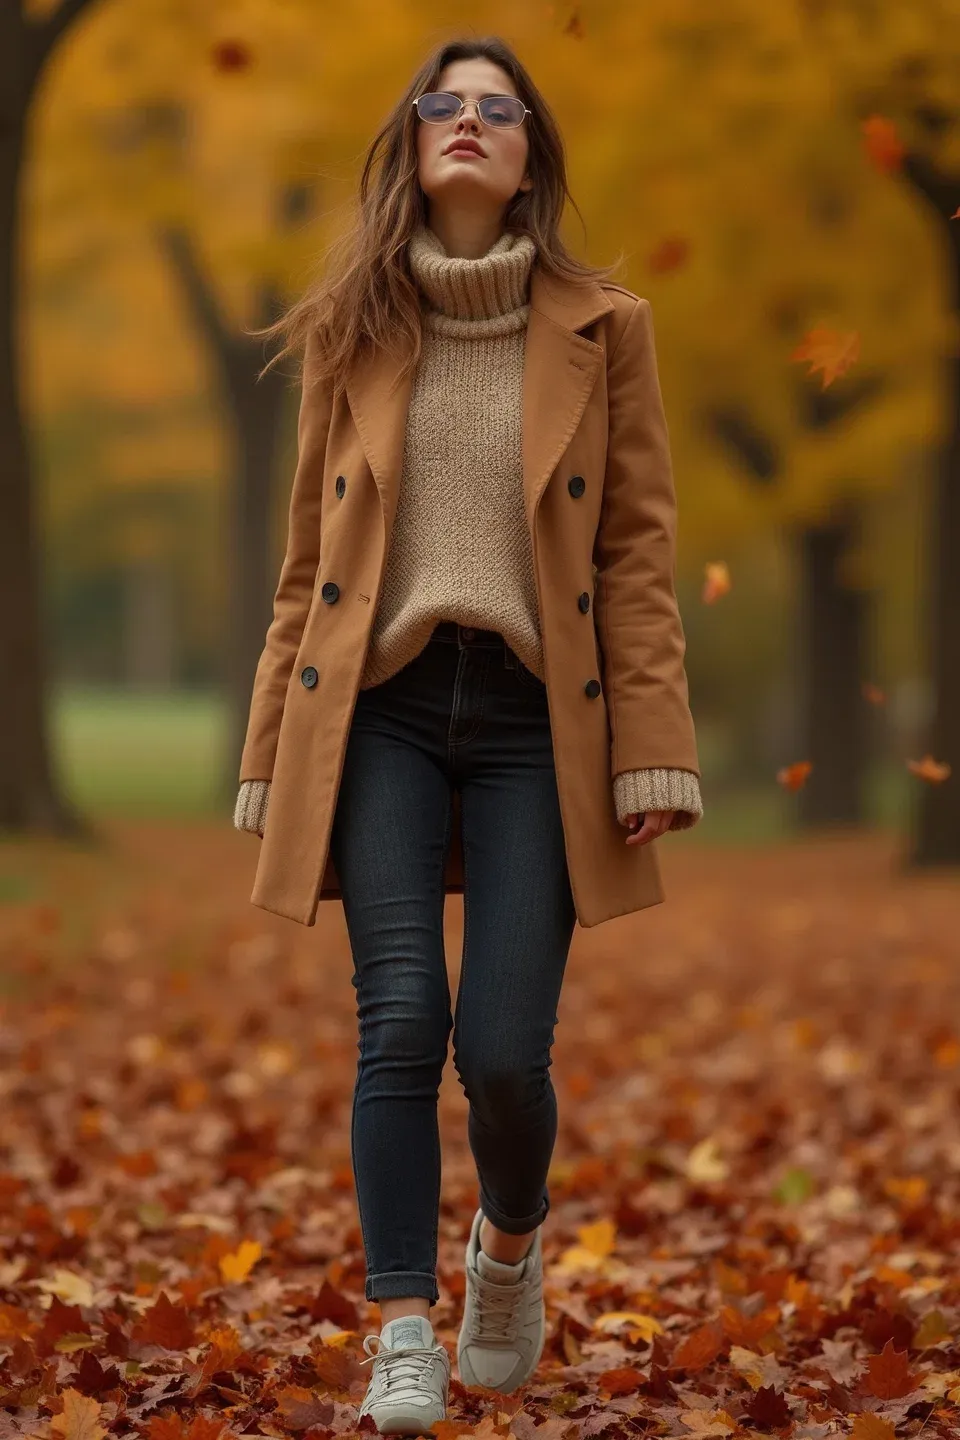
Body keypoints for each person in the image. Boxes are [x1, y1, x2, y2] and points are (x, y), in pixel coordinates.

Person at [234, 34, 703, 1436]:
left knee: (502, 1046)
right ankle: (401, 1329)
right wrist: (271, 748)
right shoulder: (350, 328)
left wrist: (651, 740)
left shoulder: (604, 326)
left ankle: (508, 1245)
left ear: (527, 157)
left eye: (501, 109)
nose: (470, 123)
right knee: (400, 1020)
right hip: (377, 708)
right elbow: (302, 563)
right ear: (413, 138)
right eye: (447, 101)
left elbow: (635, 552)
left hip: (529, 720)